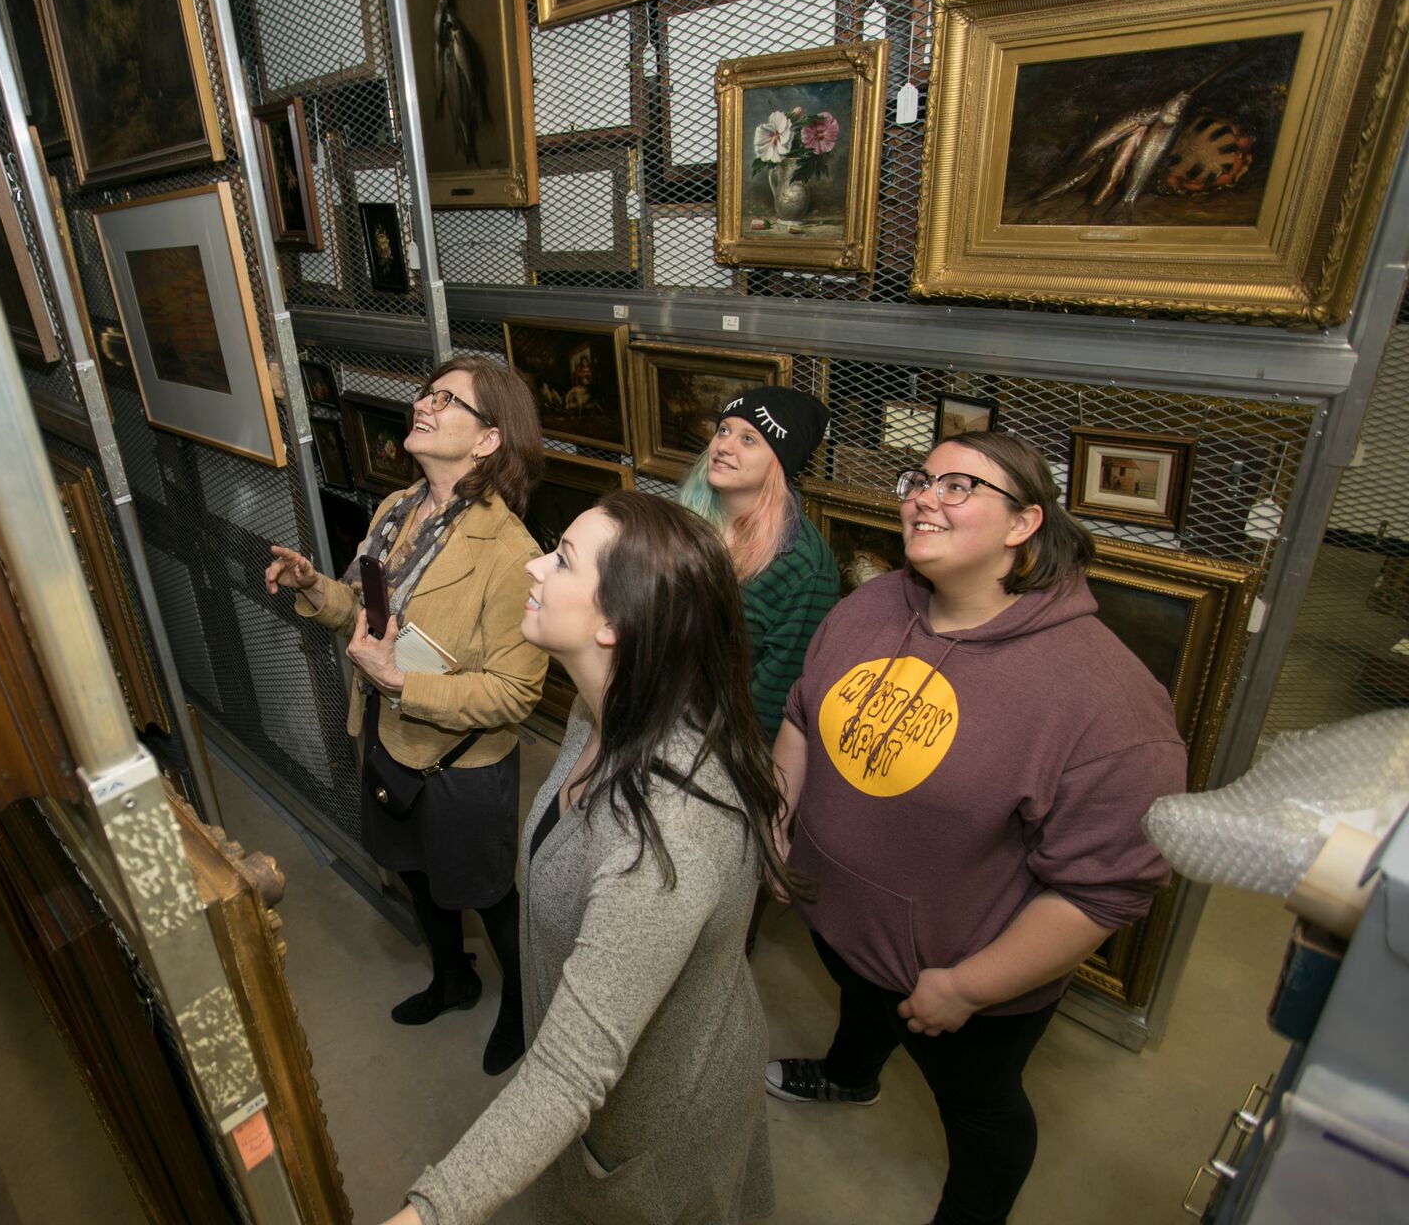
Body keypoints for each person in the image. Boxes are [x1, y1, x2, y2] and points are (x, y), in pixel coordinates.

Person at [766, 431, 1184, 1225]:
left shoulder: (1107, 702)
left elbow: (1103, 893)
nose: (923, 496)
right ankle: (852, 1074)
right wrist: (779, 825)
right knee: (858, 1004)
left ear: (1024, 523)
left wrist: (967, 986)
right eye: (919, 480)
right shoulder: (875, 601)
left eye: (958, 486)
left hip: (958, 983)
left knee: (982, 1110)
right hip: (842, 921)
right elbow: (802, 715)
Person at [382, 491, 801, 1225]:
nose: (536, 567)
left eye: (564, 559)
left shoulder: (667, 833)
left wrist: (426, 1213)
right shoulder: (597, 711)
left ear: (616, 623)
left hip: (654, 1128)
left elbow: (569, 1074)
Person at [265, 356, 546, 1075]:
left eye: (448, 400)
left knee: (487, 894)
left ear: (487, 441)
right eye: (428, 392)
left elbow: (516, 695)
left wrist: (403, 685)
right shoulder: (395, 510)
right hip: (388, 737)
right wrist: (314, 588)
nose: (424, 403)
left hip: (462, 767)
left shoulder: (512, 553)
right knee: (416, 874)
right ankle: (452, 979)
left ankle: (522, 1005)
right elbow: (370, 616)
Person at [677, 386, 839, 742]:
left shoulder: (803, 569)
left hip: (718, 745)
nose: (724, 446)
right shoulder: (687, 519)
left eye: (749, 439)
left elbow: (770, 706)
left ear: (780, 461)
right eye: (724, 430)